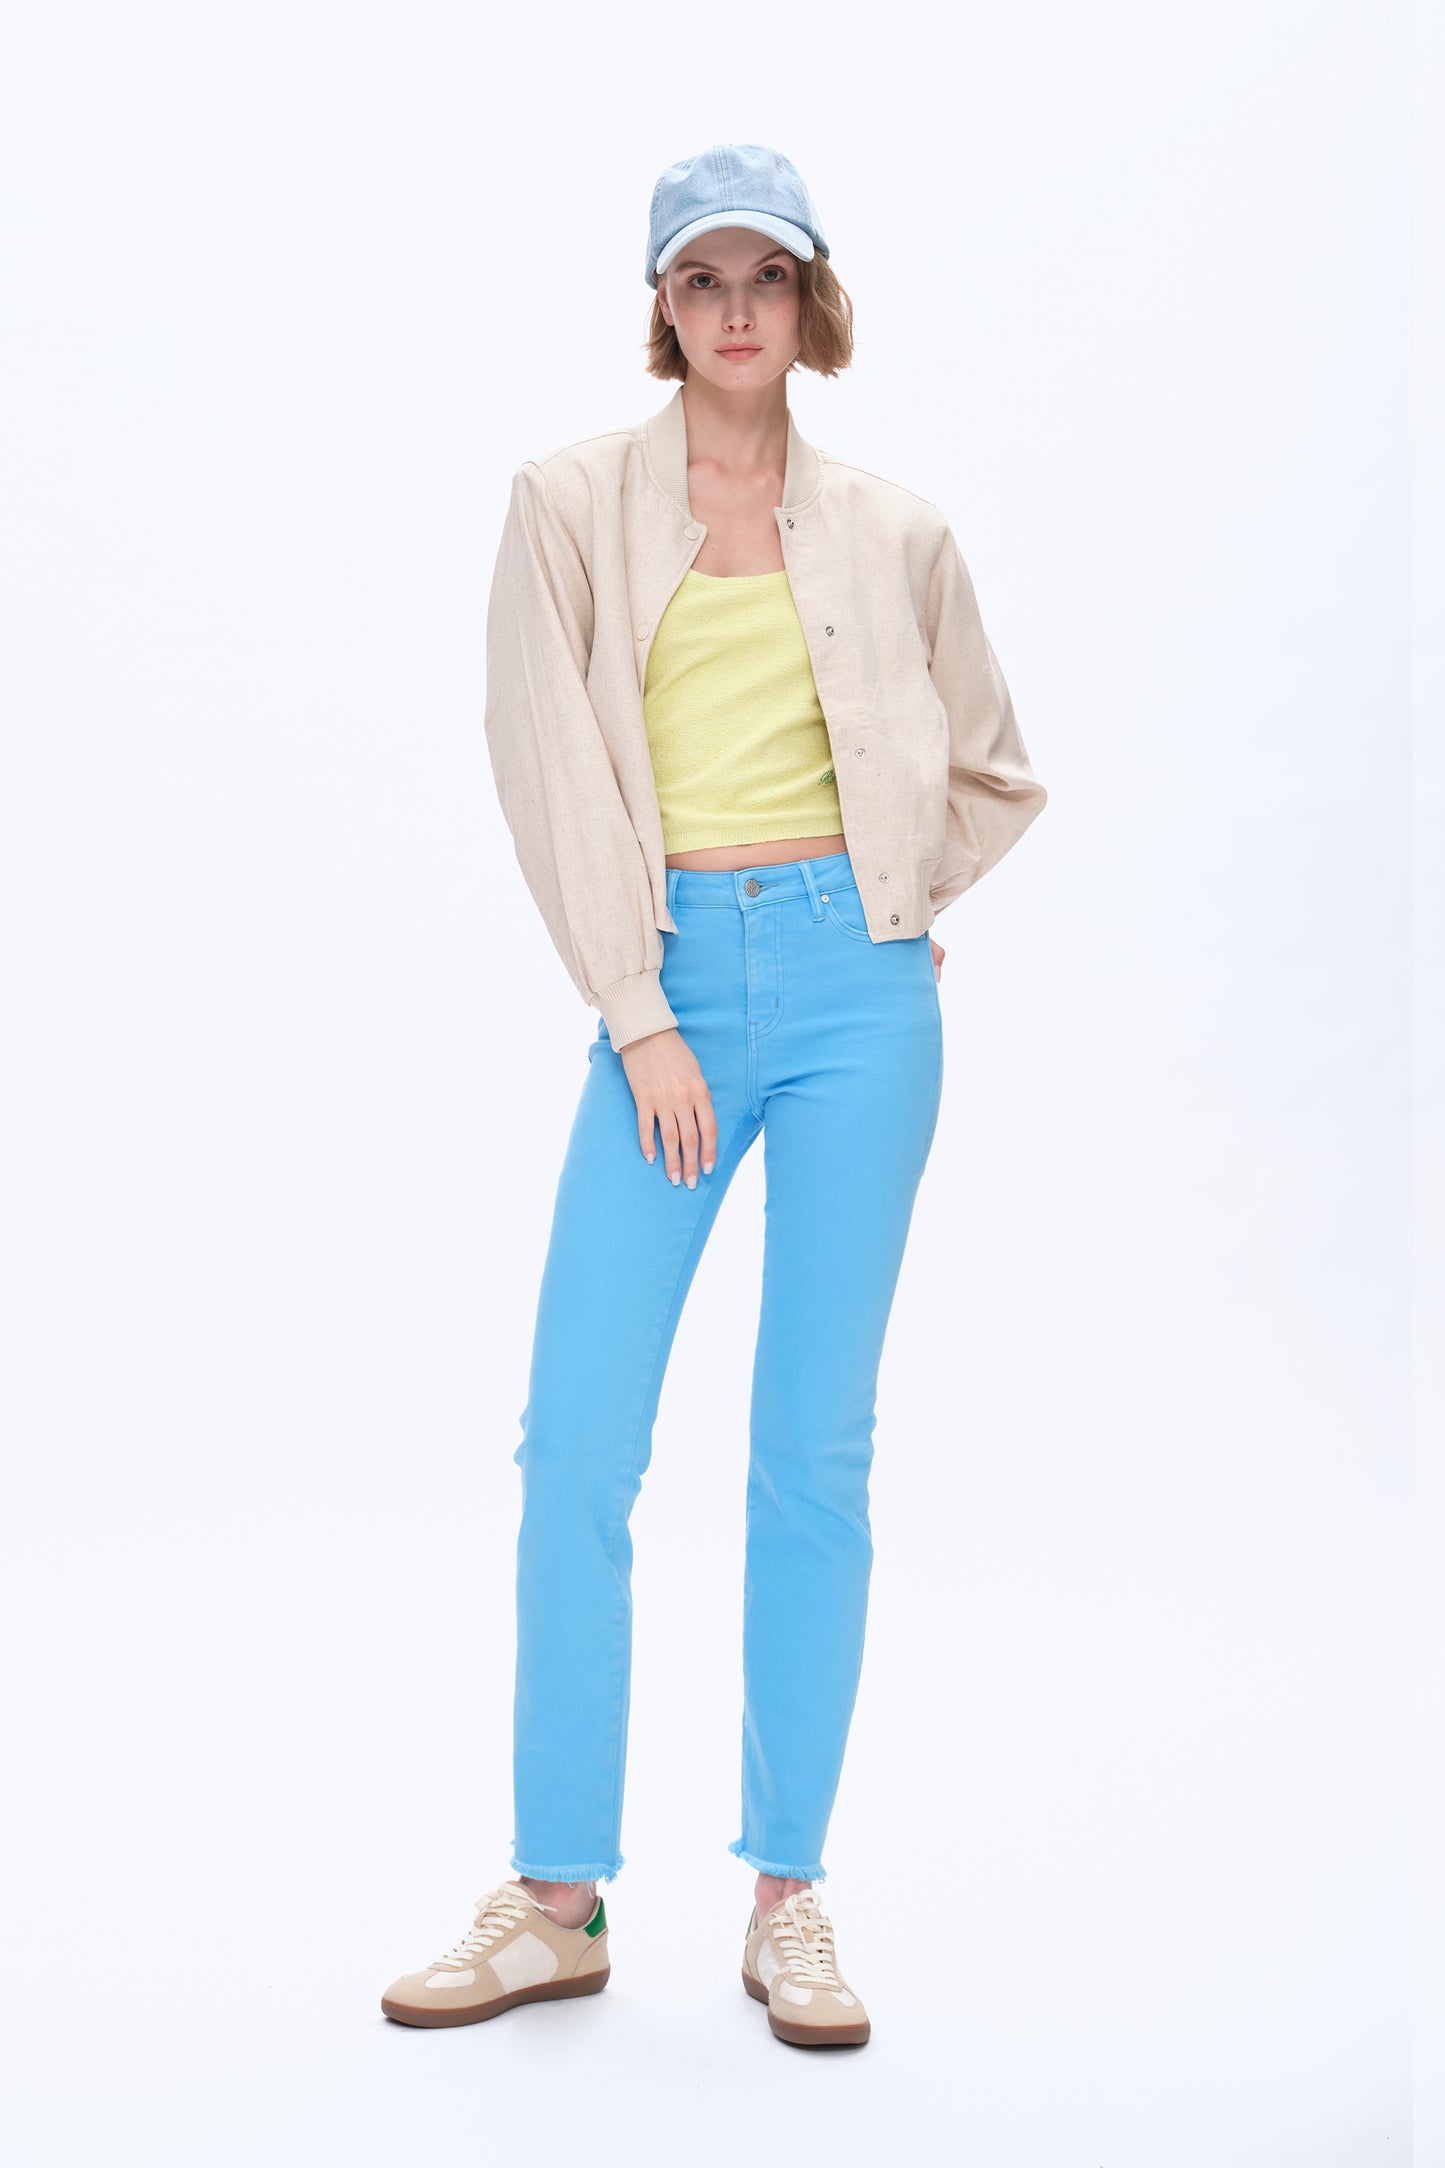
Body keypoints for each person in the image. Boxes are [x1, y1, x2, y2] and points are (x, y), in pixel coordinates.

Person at [381, 141, 1047, 2049]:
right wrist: (637, 1012)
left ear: (808, 301)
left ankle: (786, 1898)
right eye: (700, 279)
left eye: (765, 277)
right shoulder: (565, 504)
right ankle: (556, 1900)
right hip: (663, 988)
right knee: (577, 1442)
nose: (733, 310)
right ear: (660, 307)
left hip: (859, 1000)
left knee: (810, 1451)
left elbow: (993, 768)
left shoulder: (899, 531)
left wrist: (896, 910)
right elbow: (542, 758)